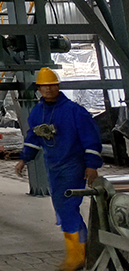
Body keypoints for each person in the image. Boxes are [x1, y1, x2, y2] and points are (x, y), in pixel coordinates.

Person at [14, 67, 102, 271]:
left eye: (52, 85)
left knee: (67, 208)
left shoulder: (75, 111)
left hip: (73, 165)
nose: (49, 89)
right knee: (63, 208)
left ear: (58, 86)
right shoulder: (38, 113)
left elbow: (91, 140)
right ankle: (80, 251)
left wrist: (91, 165)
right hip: (53, 167)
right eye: (44, 86)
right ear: (39, 89)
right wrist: (23, 160)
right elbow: (33, 138)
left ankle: (78, 255)